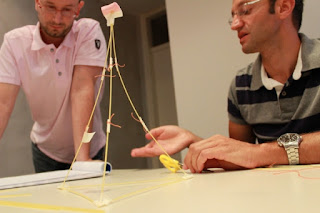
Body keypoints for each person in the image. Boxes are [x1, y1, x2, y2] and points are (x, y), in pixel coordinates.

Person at [131, 0, 320, 173]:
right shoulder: (241, 85)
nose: (235, 25)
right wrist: (194, 141)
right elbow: (241, 154)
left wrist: (263, 152)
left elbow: (254, 154)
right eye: (233, 16)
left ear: (284, 7)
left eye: (245, 11)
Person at [0, 0, 107, 172]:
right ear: (37, 3)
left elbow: (81, 90)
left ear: (78, 8)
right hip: (45, 151)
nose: (57, 19)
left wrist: (83, 159)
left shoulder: (88, 31)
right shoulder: (15, 43)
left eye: (66, 9)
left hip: (90, 148)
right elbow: (2, 104)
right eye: (50, 7)